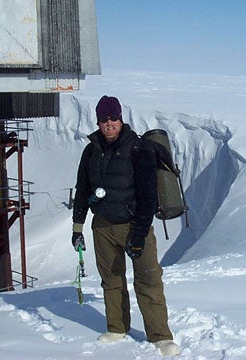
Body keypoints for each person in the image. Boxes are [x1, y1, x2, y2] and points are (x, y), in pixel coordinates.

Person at [70, 95, 181, 356]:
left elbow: (148, 196)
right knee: (111, 279)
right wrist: (77, 228)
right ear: (97, 121)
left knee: (148, 280)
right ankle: (117, 327)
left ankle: (160, 337)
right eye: (103, 119)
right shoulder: (91, 150)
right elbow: (83, 187)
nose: (108, 123)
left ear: (121, 119)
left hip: (134, 224)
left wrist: (139, 234)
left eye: (113, 118)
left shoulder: (139, 149)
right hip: (102, 226)